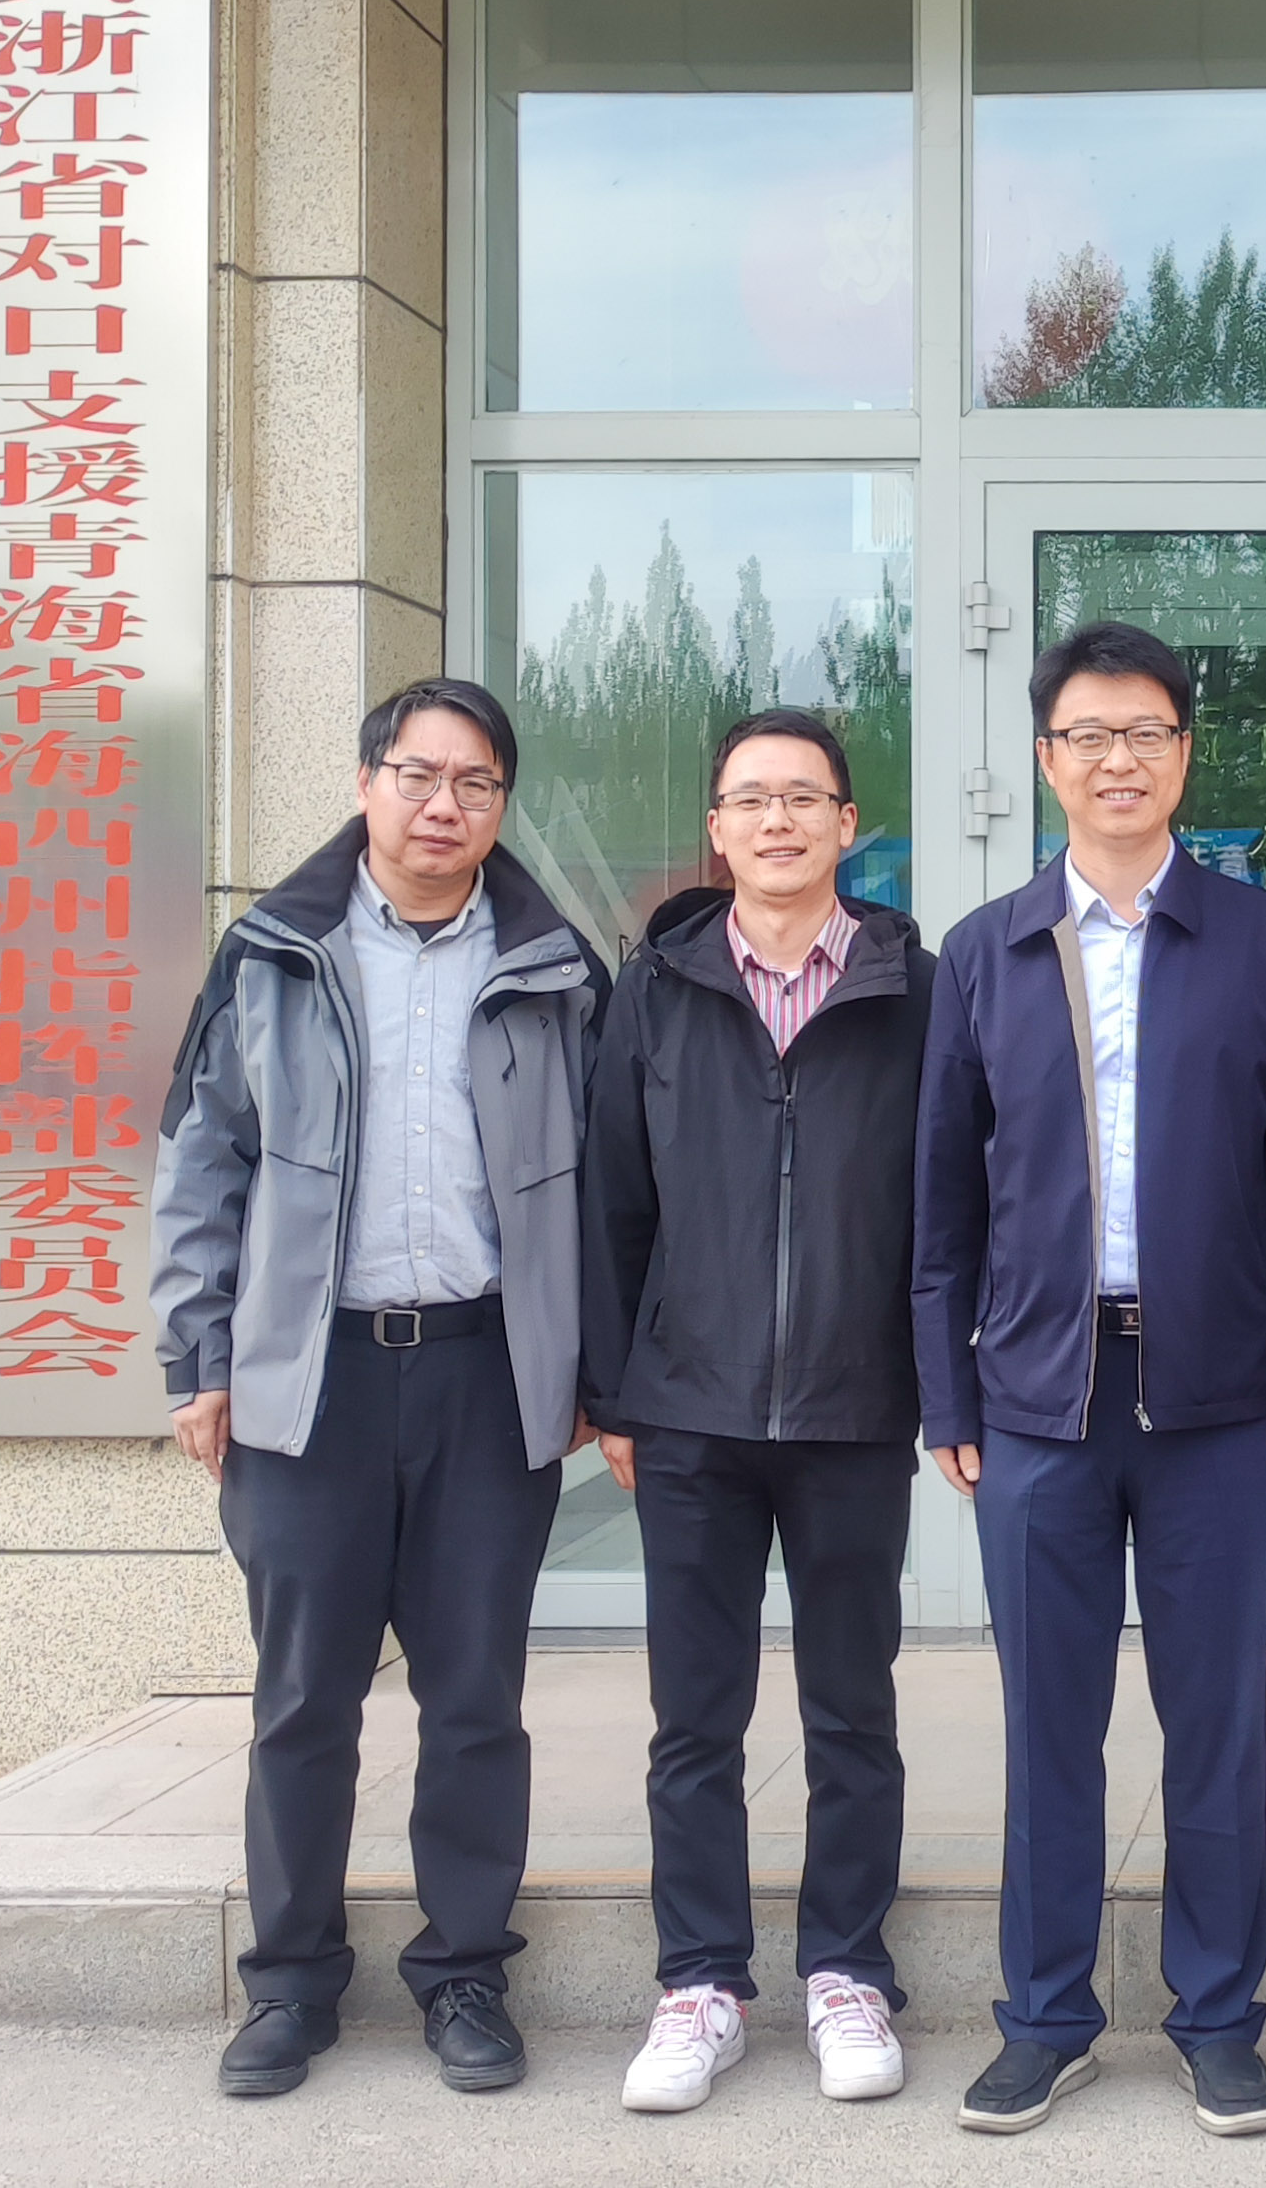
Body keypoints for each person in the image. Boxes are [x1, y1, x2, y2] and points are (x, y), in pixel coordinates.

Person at [152, 676, 607, 2099]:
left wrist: (594, 1371)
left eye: (475, 783)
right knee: (305, 1700)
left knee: (475, 1697)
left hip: (485, 1376)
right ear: (366, 786)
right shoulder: (275, 955)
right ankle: (290, 1985)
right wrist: (197, 1356)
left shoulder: (554, 971)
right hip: (310, 1382)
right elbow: (201, 1160)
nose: (442, 805)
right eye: (418, 775)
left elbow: (609, 1191)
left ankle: (464, 1973)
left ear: (500, 807)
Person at [914, 622, 1266, 2139]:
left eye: (1146, 732)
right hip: (1041, 1395)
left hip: (1215, 1399)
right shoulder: (987, 950)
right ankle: (1045, 2017)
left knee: (1216, 1723)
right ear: (1047, 761)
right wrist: (948, 1394)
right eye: (1088, 735)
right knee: (1050, 1726)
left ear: (1184, 755)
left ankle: (1218, 2016)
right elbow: (942, 1200)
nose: (1118, 760)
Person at [578, 707, 930, 2115]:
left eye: (804, 798)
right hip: (691, 1413)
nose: (777, 821)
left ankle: (847, 1969)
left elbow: (951, 1206)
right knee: (695, 1717)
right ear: (716, 829)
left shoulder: (918, 990)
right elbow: (612, 1199)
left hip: (855, 1408)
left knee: (852, 1709)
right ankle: (701, 1982)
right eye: (750, 800)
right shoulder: (656, 989)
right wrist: (617, 1390)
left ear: (849, 824)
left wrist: (936, 1381)